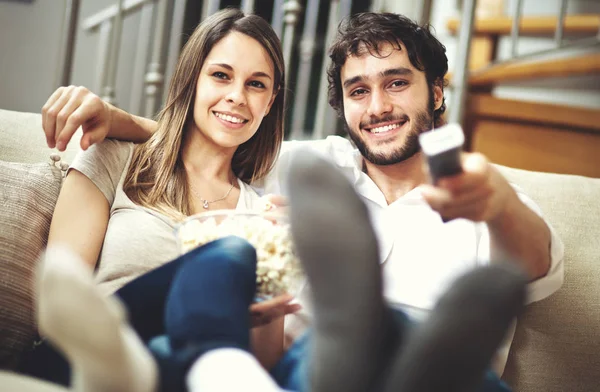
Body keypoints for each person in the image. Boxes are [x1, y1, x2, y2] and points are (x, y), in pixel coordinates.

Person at [40, 11, 564, 389]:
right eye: (358, 91)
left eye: (397, 82)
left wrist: (497, 204)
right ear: (343, 106)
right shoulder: (316, 170)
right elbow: (213, 135)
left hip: (436, 373)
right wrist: (114, 119)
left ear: (437, 91)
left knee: (427, 350)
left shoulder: (485, 199)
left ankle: (386, 335)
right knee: (258, 282)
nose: (378, 106)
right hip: (309, 370)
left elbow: (532, 262)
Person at [22, 8, 300, 392]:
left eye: (256, 84)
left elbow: (264, 362)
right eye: (221, 75)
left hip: (190, 373)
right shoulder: (115, 157)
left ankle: (148, 369)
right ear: (192, 80)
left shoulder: (260, 214)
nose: (237, 96)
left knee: (172, 350)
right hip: (77, 355)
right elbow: (56, 300)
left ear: (270, 102)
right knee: (231, 250)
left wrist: (276, 272)